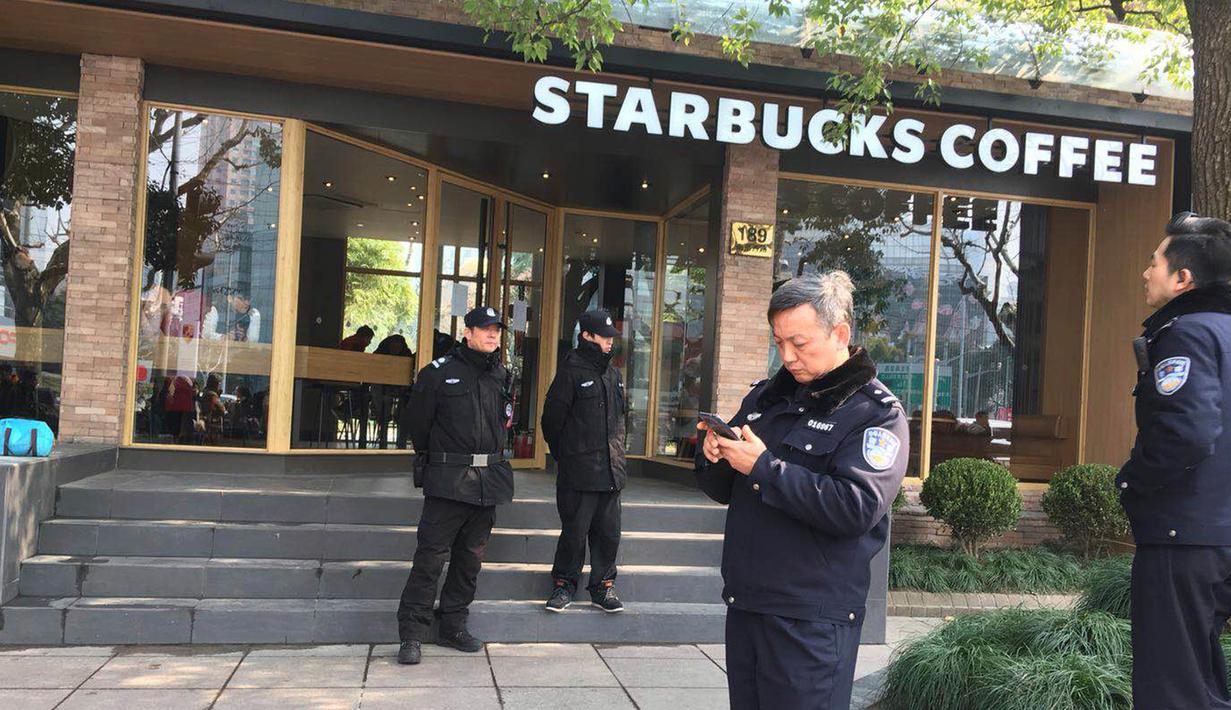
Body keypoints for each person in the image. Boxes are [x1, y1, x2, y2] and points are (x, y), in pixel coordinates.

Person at [695, 271, 908, 710]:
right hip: (749, 604)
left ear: (840, 333)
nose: (787, 356)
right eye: (778, 342)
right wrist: (716, 452)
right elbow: (723, 488)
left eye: (799, 343)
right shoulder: (770, 398)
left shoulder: (875, 414)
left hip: (811, 621)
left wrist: (763, 467)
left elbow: (855, 507)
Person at [1118, 211, 1231, 709]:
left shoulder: (1186, 335)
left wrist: (1131, 482)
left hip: (1184, 538)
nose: (1146, 273)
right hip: (1218, 534)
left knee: (1175, 688)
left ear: (1183, 278)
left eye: (1155, 263)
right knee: (1202, 681)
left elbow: (1186, 432)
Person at [395, 306, 514, 666]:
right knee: (430, 559)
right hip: (449, 482)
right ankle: (412, 635)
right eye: (485, 329)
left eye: (496, 330)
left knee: (468, 562)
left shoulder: (501, 376)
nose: (492, 335)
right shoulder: (438, 373)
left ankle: (453, 626)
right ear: (468, 332)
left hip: (486, 483)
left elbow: (503, 424)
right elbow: (418, 424)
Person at [540, 308, 627, 613]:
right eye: (604, 336)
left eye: (611, 337)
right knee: (574, 534)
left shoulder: (613, 373)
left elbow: (619, 421)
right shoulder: (571, 371)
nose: (609, 342)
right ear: (587, 336)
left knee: (608, 535)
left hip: (611, 472)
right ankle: (564, 585)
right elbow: (551, 422)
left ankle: (603, 587)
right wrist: (569, 456)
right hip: (579, 473)